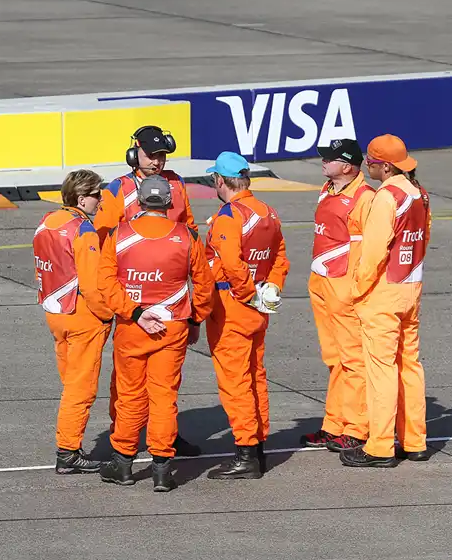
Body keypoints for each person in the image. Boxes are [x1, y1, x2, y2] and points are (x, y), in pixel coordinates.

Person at [96, 174, 215, 491]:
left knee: (130, 396)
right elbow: (204, 286)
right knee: (164, 398)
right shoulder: (186, 236)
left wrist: (134, 312)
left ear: (139, 202)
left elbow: (106, 284)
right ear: (169, 202)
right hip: (173, 326)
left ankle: (123, 461)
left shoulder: (119, 235)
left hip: (132, 326)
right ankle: (162, 466)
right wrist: (196, 320)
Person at [93, 124, 201, 457]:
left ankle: (163, 435)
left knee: (166, 377)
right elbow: (102, 238)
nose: (156, 161)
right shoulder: (118, 189)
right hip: (130, 295)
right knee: (125, 378)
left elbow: (189, 226)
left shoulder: (176, 183)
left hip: (168, 293)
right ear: (134, 153)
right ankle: (120, 433)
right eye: (151, 155)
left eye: (162, 155)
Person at [339, 134, 432, 468]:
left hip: (383, 293)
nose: (367, 165)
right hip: (411, 286)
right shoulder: (419, 194)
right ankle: (415, 439)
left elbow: (374, 252)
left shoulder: (386, 197)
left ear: (385, 165)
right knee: (410, 365)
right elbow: (423, 238)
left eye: (371, 161)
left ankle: (379, 447)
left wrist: (358, 290)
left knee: (381, 370)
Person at [203, 151, 290, 480]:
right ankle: (258, 446)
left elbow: (231, 263)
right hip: (258, 307)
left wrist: (247, 294)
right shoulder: (267, 211)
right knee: (255, 377)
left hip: (232, 306)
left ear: (220, 180)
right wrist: (271, 289)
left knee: (235, 381)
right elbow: (280, 255)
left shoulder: (229, 216)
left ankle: (245, 452)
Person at [33, 169, 113, 474]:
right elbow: (92, 286)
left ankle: (69, 445)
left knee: (70, 383)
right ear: (81, 198)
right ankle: (67, 451)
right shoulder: (83, 230)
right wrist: (108, 314)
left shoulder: (47, 222)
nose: (100, 200)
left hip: (54, 312)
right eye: (96, 195)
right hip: (82, 317)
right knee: (80, 388)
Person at [300, 139, 375, 453]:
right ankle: (334, 424)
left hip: (345, 285)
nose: (323, 163)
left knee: (353, 359)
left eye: (329, 159)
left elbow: (373, 247)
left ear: (347, 165)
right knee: (334, 359)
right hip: (321, 282)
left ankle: (358, 428)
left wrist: (359, 288)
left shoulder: (364, 197)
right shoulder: (327, 189)